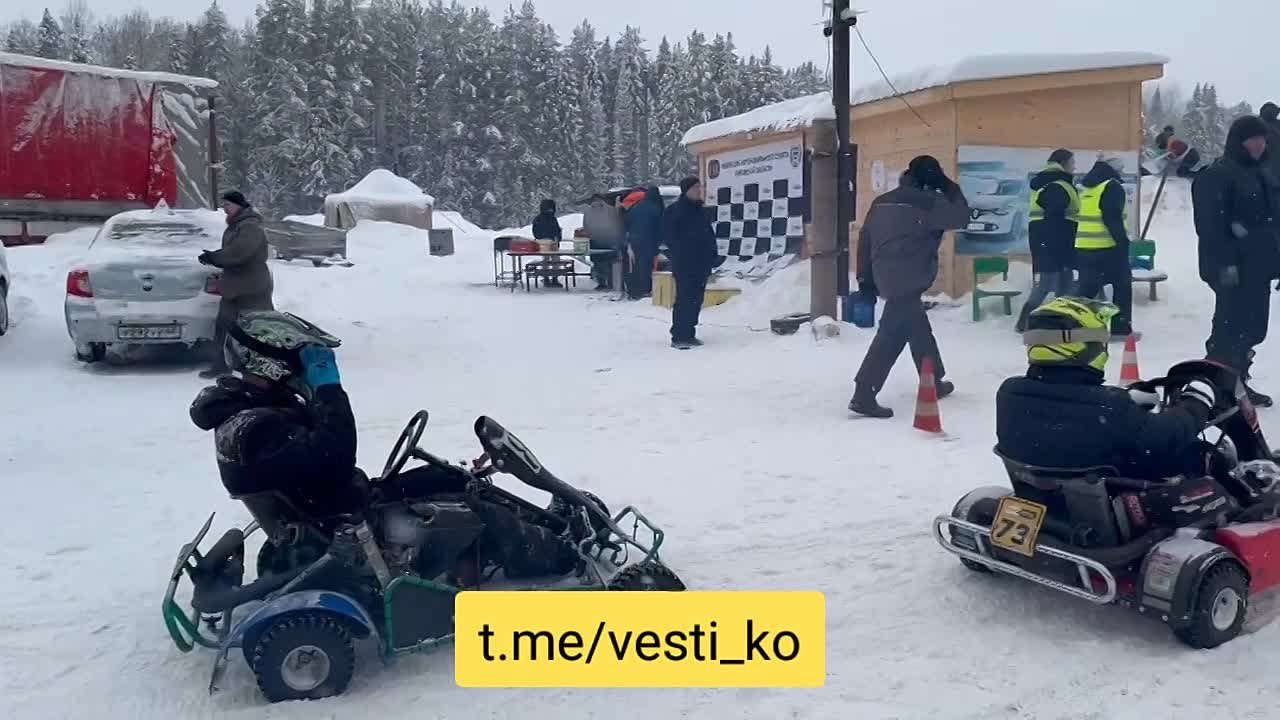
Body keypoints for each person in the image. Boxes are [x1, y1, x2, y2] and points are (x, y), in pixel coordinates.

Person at [189, 310, 578, 582]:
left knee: (452, 478)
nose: (302, 371)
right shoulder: (253, 427)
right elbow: (336, 454)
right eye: (298, 363)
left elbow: (321, 459)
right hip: (349, 525)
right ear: (267, 363)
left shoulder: (248, 409)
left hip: (336, 506)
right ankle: (562, 554)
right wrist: (327, 387)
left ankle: (542, 526)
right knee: (476, 511)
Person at [997, 297, 1216, 479]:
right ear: (1086, 348)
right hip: (1107, 505)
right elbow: (1168, 435)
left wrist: (1129, 402)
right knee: (1194, 452)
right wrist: (1196, 404)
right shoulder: (1108, 406)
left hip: (1042, 491)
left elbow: (1072, 410)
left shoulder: (1010, 392)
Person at [849, 155, 970, 418]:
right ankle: (864, 393)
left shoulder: (881, 201)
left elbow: (865, 240)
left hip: (885, 275)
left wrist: (866, 280)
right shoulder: (930, 202)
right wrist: (948, 186)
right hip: (910, 276)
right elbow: (962, 216)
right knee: (891, 335)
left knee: (917, 329)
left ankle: (934, 380)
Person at [1193, 115, 1280, 407]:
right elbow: (1210, 228)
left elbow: (1273, 223)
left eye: (1262, 139)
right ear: (1238, 142)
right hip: (1232, 269)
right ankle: (1215, 387)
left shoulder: (1263, 174)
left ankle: (1238, 382)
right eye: (1252, 139)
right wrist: (1225, 265)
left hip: (1259, 267)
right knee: (1230, 330)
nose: (1258, 144)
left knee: (1254, 329)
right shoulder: (1218, 174)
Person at [198, 191, 275, 379]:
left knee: (258, 327)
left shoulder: (249, 226)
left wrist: (214, 257)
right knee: (224, 326)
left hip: (252, 285)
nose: (225, 208)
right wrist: (214, 256)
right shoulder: (237, 225)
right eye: (223, 205)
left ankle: (267, 365)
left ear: (239, 205)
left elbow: (240, 252)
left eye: (228, 205)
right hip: (235, 285)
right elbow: (233, 251)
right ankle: (221, 364)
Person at [1072, 154, 1135, 338]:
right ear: (1114, 170)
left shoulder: (1085, 186)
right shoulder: (1112, 186)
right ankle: (1120, 326)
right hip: (1108, 247)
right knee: (1122, 286)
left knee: (1087, 289)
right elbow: (1112, 218)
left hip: (1084, 247)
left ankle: (1075, 323)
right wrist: (1123, 242)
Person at [1016, 149, 1080, 332]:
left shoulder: (1053, 182)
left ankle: (1060, 320)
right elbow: (1055, 218)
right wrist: (1060, 245)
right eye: (1072, 162)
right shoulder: (1056, 185)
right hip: (1054, 241)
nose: (1074, 166)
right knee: (1047, 284)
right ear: (1063, 163)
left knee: (1065, 283)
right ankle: (1024, 322)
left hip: (1053, 240)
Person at [662, 177, 718, 349]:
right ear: (686, 190)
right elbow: (669, 237)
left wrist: (712, 255)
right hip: (684, 263)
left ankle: (690, 333)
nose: (698, 190)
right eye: (695, 188)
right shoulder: (674, 211)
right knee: (684, 299)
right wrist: (679, 254)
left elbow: (708, 235)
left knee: (696, 299)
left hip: (702, 263)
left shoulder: (701, 210)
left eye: (699, 187)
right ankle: (679, 335)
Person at [624, 185, 665, 300]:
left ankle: (635, 289)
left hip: (635, 239)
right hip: (650, 240)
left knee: (636, 264)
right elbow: (662, 225)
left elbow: (627, 222)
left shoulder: (636, 206)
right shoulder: (657, 207)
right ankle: (645, 289)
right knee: (647, 265)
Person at [582, 194, 624, 290]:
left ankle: (601, 282)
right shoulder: (612, 210)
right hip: (611, 240)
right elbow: (618, 224)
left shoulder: (587, 212)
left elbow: (585, 226)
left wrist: (591, 235)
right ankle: (611, 282)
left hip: (595, 240)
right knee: (610, 262)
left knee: (598, 262)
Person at [531, 198, 563, 288]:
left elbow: (557, 230)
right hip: (544, 244)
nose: (550, 210)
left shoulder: (552, 219)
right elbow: (536, 232)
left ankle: (554, 278)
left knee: (555, 260)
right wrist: (542, 239)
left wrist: (557, 239)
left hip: (552, 243)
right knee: (547, 260)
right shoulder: (539, 219)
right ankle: (547, 278)